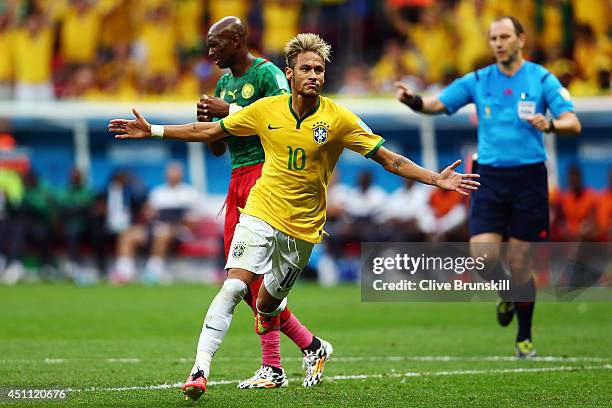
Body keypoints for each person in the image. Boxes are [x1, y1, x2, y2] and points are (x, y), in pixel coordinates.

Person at [108, 32, 479, 401]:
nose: (313, 75)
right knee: (235, 286)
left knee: (266, 305)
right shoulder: (267, 109)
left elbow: (390, 159)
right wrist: (153, 130)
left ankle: (313, 347)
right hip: (260, 210)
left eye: (319, 69)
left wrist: (435, 179)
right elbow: (207, 130)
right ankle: (199, 371)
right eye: (306, 68)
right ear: (290, 73)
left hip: (302, 229)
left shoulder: (339, 119)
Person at [395, 16, 582, 358]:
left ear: (521, 39)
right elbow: (439, 104)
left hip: (528, 178)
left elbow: (573, 121)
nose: (498, 42)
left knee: (521, 264)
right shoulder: (479, 80)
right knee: (482, 258)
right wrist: (414, 101)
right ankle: (507, 293)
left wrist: (551, 123)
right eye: (493, 37)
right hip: (489, 177)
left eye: (505, 36)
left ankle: (524, 338)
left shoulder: (541, 79)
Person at [196, 16, 331, 390]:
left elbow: (283, 119)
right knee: (239, 279)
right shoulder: (224, 82)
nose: (210, 52)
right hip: (237, 177)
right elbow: (218, 146)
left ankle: (273, 365)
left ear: (236, 40)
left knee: (254, 280)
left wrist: (228, 112)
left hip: (267, 175)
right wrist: (207, 122)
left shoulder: (269, 74)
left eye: (215, 44)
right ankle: (311, 345)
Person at [110, 162, 200, 284]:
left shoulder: (189, 193)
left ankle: (153, 272)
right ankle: (125, 272)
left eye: (175, 174)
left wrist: (174, 225)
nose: (172, 177)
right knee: (128, 234)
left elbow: (192, 220)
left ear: (181, 175)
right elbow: (148, 212)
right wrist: (149, 213)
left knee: (162, 232)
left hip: (179, 231)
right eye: (170, 174)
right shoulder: (158, 192)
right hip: (155, 227)